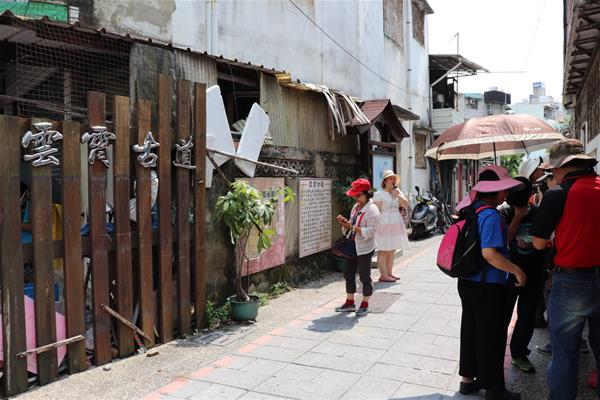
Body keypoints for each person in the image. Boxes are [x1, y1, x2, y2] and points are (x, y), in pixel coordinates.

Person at [531, 139, 600, 400]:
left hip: (572, 281)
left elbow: (538, 243)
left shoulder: (558, 194)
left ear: (563, 167)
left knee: (565, 353)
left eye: (553, 171)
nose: (553, 175)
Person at [456, 165, 526, 400]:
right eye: (503, 190)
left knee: (471, 328)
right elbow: (490, 254)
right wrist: (517, 271)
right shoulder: (491, 215)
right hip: (488, 285)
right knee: (493, 335)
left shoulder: (471, 209)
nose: (505, 194)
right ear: (493, 192)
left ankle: (468, 381)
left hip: (467, 281)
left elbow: (500, 242)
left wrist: (516, 218)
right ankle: (495, 389)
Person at [499, 177, 545, 373]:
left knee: (527, 316)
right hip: (508, 274)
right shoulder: (504, 213)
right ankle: (495, 352)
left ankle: (519, 353)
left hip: (534, 272)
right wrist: (517, 217)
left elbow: (546, 241)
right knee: (502, 315)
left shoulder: (539, 213)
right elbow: (503, 242)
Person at [335, 178, 380, 317]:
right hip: (353, 244)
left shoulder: (372, 210)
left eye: (358, 195)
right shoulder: (356, 207)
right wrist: (345, 223)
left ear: (367, 194)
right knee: (348, 274)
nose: (356, 198)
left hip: (365, 247)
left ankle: (365, 304)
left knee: (364, 276)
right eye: (354, 195)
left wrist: (352, 227)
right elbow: (352, 226)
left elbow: (371, 232)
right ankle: (350, 302)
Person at [373, 170, 410, 282]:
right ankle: (383, 275)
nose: (393, 181)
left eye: (394, 178)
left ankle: (389, 273)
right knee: (383, 249)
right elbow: (375, 210)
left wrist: (398, 196)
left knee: (392, 249)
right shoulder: (379, 194)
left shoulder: (398, 192)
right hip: (384, 223)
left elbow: (406, 205)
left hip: (396, 222)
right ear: (385, 181)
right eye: (390, 178)